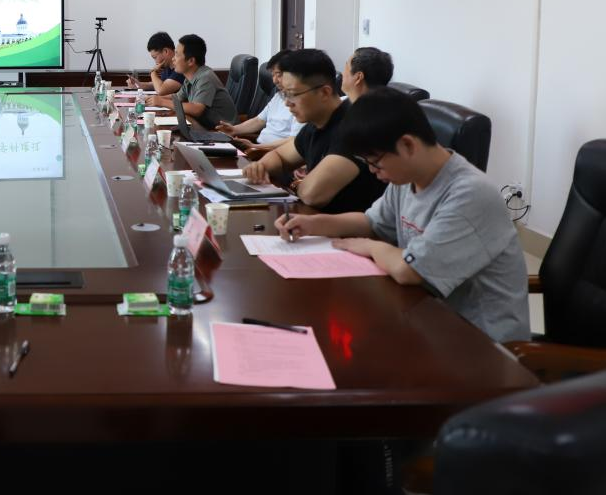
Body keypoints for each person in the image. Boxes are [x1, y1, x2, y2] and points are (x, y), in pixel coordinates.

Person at [275, 89, 529, 343]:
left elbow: (410, 270)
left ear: (407, 145)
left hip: (481, 343)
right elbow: (372, 222)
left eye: (375, 162)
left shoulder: (470, 194)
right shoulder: (407, 178)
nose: (372, 171)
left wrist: (369, 247)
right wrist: (313, 224)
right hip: (426, 318)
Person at [243, 49, 385, 213]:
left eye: (293, 94)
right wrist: (260, 167)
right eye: (284, 94)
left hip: (347, 226)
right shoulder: (316, 122)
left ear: (324, 92)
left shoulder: (354, 127)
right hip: (314, 220)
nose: (287, 103)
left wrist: (297, 185)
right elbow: (280, 156)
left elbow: (312, 194)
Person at [216, 50, 303, 152]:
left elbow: (293, 141)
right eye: (273, 75)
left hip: (270, 152)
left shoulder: (302, 104)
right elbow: (259, 120)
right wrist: (234, 130)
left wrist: (255, 147)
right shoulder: (278, 96)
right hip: (258, 147)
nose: (274, 80)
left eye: (278, 75)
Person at [149, 34, 237, 129]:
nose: (173, 59)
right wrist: (151, 99)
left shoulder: (206, 77)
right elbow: (177, 97)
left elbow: (197, 109)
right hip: (205, 128)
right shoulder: (190, 77)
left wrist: (161, 102)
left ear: (190, 61)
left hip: (224, 132)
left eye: (177, 55)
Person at [126, 32, 185, 97]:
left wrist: (153, 72)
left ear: (165, 51)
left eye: (155, 57)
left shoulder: (181, 68)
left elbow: (161, 90)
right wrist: (139, 85)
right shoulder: (167, 66)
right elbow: (162, 84)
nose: (156, 62)